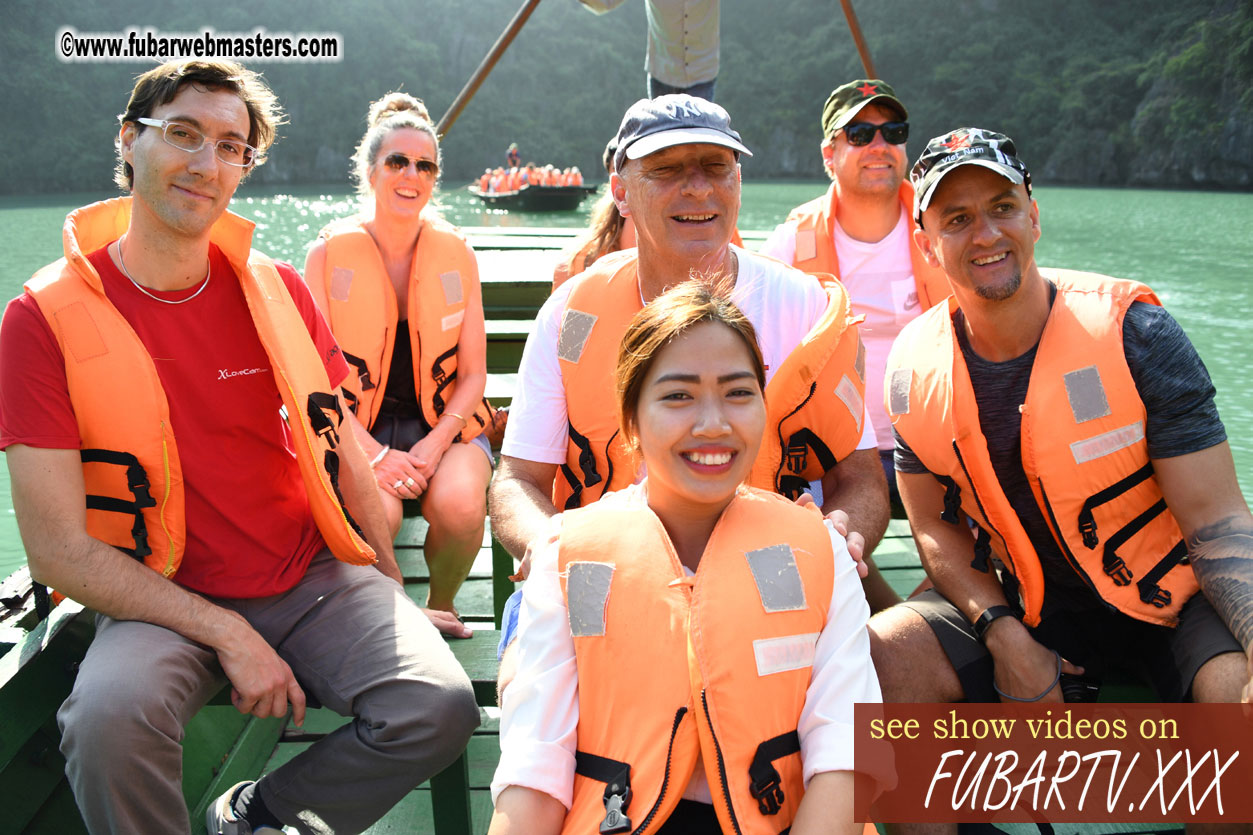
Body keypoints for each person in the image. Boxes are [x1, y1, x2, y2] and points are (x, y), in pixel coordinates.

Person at [0, 60, 479, 835]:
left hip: (310, 574)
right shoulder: (40, 320)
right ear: (130, 141)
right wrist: (228, 631)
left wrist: (389, 583)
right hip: (159, 594)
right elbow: (57, 551)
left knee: (436, 704)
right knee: (105, 723)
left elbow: (343, 454)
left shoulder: (278, 289)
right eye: (182, 135)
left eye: (231, 147)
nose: (206, 163)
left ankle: (254, 817)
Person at [491, 93, 894, 687]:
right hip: (600, 571)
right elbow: (517, 479)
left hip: (768, 570)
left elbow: (859, 477)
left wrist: (843, 530)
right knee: (536, 701)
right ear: (621, 190)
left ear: (738, 179)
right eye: (667, 170)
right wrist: (550, 544)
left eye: (715, 167)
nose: (698, 189)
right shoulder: (570, 314)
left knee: (841, 723)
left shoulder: (802, 306)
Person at [870, 128, 1253, 724]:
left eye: (1003, 209)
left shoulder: (1137, 336)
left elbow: (1218, 520)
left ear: (1034, 217)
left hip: (1173, 603)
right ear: (925, 245)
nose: (987, 234)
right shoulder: (912, 368)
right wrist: (1001, 632)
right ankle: (968, 817)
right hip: (1029, 607)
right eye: (957, 219)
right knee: (884, 656)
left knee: (1239, 706)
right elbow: (933, 530)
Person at [488, 281, 879, 835]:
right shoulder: (566, 556)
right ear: (632, 422)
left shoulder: (819, 552)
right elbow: (534, 771)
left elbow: (846, 755)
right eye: (678, 396)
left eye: (739, 393)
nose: (714, 423)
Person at [304, 92, 494, 622]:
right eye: (397, 161)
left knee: (459, 506)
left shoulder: (457, 254)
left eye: (424, 165)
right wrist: (373, 454)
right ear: (369, 171)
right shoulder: (326, 255)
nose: (412, 174)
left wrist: (434, 447)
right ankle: (391, 616)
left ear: (434, 177)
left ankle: (442, 605)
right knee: (376, 513)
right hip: (353, 424)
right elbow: (313, 377)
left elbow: (474, 372)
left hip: (445, 423)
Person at [761, 79, 951, 510]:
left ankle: (934, 581)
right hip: (831, 457)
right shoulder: (790, 246)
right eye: (861, 134)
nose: (879, 145)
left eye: (894, 132)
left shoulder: (944, 233)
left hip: (937, 447)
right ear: (830, 154)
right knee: (835, 543)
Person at [577, 0, 719, 100]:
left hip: (701, 74)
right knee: (660, 139)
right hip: (662, 73)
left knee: (696, 141)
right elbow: (604, 2)